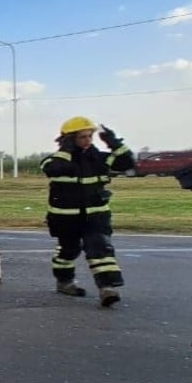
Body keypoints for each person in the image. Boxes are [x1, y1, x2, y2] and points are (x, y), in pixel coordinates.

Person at [40, 116, 135, 306]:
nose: (88, 140)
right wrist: (66, 150)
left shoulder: (100, 158)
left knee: (100, 248)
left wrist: (114, 143)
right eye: (82, 137)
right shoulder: (54, 160)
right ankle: (64, 282)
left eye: (90, 136)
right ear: (70, 139)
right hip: (65, 218)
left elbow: (127, 162)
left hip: (96, 215)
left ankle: (107, 288)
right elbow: (55, 168)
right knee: (68, 251)